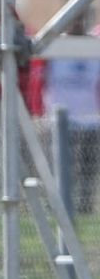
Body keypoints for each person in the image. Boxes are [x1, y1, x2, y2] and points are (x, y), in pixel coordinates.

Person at [40, 16, 100, 214]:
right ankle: (56, 206)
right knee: (59, 167)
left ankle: (85, 209)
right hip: (59, 121)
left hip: (90, 120)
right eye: (74, 19)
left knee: (88, 170)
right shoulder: (53, 48)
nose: (77, 23)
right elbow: (39, 78)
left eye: (80, 18)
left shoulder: (94, 47)